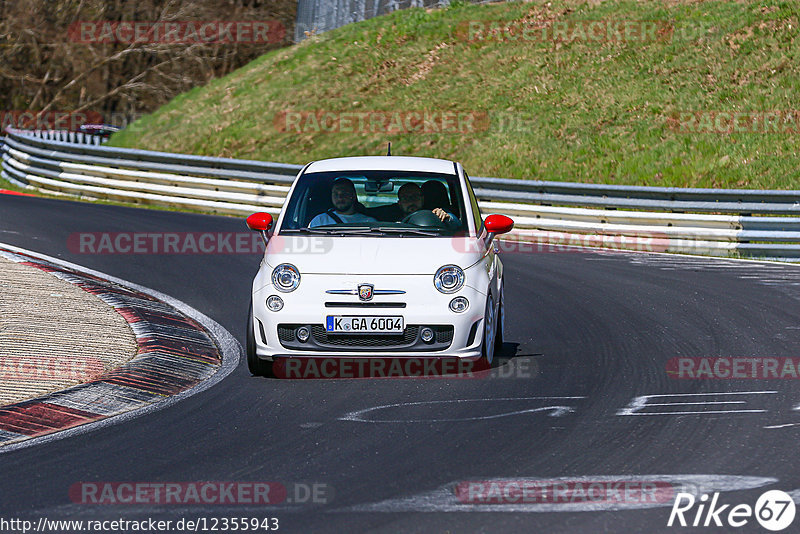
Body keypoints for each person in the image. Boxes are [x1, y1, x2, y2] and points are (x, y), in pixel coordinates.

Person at [308, 177, 377, 227]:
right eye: (335, 194)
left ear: (353, 196)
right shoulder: (320, 221)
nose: (339, 197)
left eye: (344, 193)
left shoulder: (369, 222)